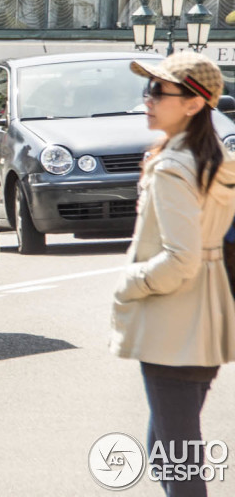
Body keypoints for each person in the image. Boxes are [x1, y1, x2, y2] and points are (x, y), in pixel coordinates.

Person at [110, 51, 235, 496]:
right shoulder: (214, 158)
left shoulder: (173, 167)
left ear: (193, 104)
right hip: (208, 321)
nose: (147, 99)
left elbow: (180, 259)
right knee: (167, 453)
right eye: (147, 89)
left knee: (178, 463)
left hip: (175, 325)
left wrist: (131, 282)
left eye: (158, 91)